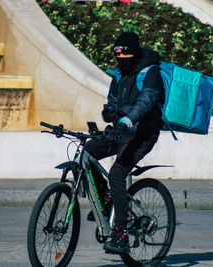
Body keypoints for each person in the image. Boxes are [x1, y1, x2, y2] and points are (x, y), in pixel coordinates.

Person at [84, 32, 164, 254]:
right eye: (118, 53)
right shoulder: (119, 76)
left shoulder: (150, 73)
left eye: (126, 53)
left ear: (135, 53)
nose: (122, 57)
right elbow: (113, 104)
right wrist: (109, 114)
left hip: (143, 133)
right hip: (121, 131)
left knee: (117, 174)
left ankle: (121, 235)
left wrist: (125, 121)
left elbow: (146, 102)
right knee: (87, 153)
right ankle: (105, 201)